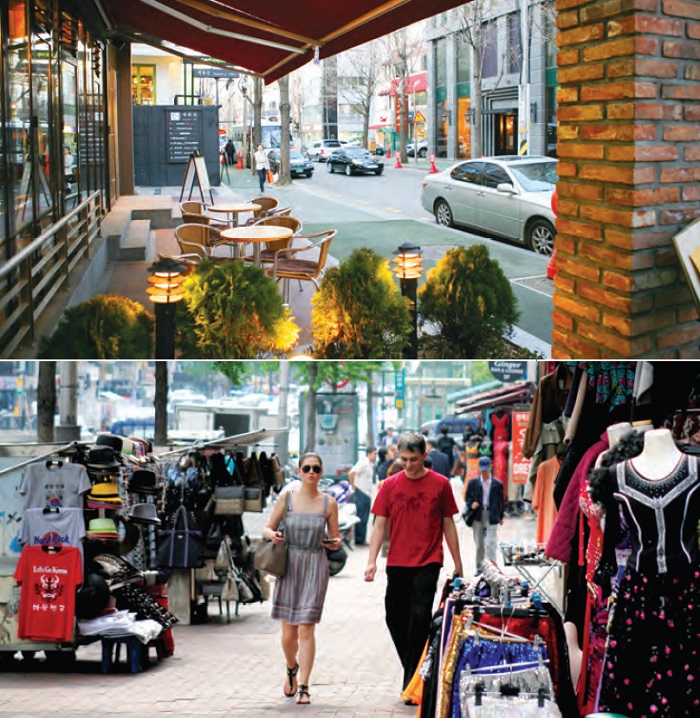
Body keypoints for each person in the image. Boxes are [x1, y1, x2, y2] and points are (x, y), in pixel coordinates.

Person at [364, 432, 463, 695]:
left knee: (419, 619)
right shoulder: (389, 485)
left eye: (414, 459)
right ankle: (418, 669)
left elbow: (448, 523)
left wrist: (458, 562)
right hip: (397, 561)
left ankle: (412, 685)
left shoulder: (441, 485)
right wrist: (371, 561)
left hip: (429, 560)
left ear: (424, 456)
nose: (408, 465)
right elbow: (379, 525)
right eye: (404, 459)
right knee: (394, 617)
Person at [263, 452, 342, 705]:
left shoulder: (329, 503)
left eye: (316, 469)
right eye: (306, 468)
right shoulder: (287, 499)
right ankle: (291, 668)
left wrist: (334, 543)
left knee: (307, 627)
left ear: (321, 473)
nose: (311, 472)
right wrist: (272, 534)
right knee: (288, 632)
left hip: (315, 564)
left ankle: (305, 686)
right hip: (290, 564)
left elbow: (335, 536)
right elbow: (267, 527)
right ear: (298, 472)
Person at [463, 456, 505, 575]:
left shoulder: (497, 484)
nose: (484, 472)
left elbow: (501, 501)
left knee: (491, 543)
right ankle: (480, 568)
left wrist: (501, 516)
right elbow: (467, 499)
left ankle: (492, 568)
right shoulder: (473, 483)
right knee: (479, 544)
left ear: (491, 467)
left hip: (492, 514)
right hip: (478, 515)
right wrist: (472, 504)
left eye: (486, 469)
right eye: (482, 470)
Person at [348, 446, 376, 545]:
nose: (375, 456)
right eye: (374, 454)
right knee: (361, 516)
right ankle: (359, 539)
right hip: (362, 492)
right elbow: (351, 473)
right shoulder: (363, 463)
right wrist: (353, 485)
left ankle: (362, 538)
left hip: (367, 493)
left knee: (365, 516)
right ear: (369, 454)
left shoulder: (370, 464)